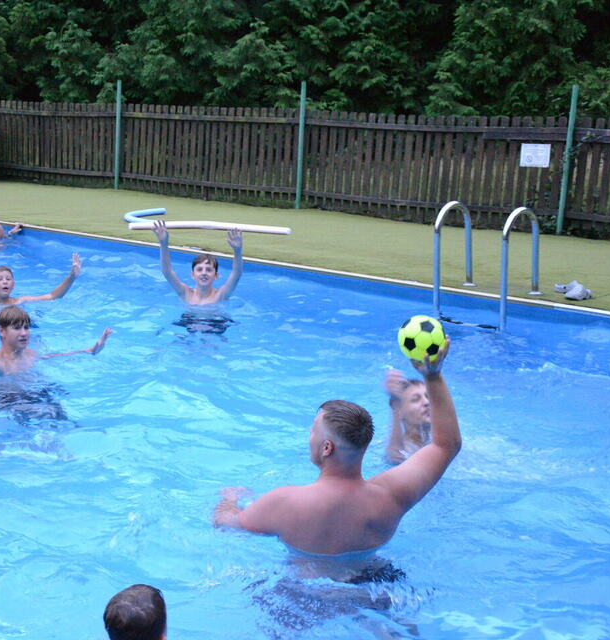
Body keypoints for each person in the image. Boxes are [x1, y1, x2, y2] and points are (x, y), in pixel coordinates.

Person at [213, 340, 459, 581]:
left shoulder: (284, 502)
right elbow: (446, 445)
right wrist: (433, 376)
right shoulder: (391, 496)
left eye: (313, 430)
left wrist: (229, 499)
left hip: (302, 594)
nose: (309, 436)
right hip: (372, 588)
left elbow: (225, 524)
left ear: (327, 447)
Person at [0, 306, 111, 380]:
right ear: (2, 331)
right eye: (17, 328)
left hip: (33, 393)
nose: (24, 333)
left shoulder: (30, 354)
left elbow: (56, 357)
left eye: (26, 327)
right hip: (8, 400)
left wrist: (90, 350)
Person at [152, 219, 243, 305]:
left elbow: (236, 275)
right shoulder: (186, 294)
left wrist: (237, 251)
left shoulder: (220, 295)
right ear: (193, 275)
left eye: (209, 270)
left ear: (216, 276)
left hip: (215, 317)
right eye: (199, 269)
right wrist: (163, 244)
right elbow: (167, 272)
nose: (204, 273)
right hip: (188, 317)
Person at [383, 369, 430, 464]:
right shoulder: (408, 448)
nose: (426, 402)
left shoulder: (439, 438)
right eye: (415, 399)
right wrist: (396, 403)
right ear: (400, 411)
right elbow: (397, 454)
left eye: (428, 396)